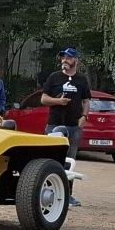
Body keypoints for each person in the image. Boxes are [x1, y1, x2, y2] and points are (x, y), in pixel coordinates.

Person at [42, 47, 90, 207]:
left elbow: (86, 100)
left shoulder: (82, 79)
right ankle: (47, 193)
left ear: (75, 60)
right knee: (52, 159)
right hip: (54, 125)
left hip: (73, 126)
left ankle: (68, 195)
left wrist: (84, 117)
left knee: (69, 162)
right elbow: (43, 99)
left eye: (68, 58)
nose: (64, 60)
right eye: (63, 58)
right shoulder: (54, 77)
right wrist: (58, 102)